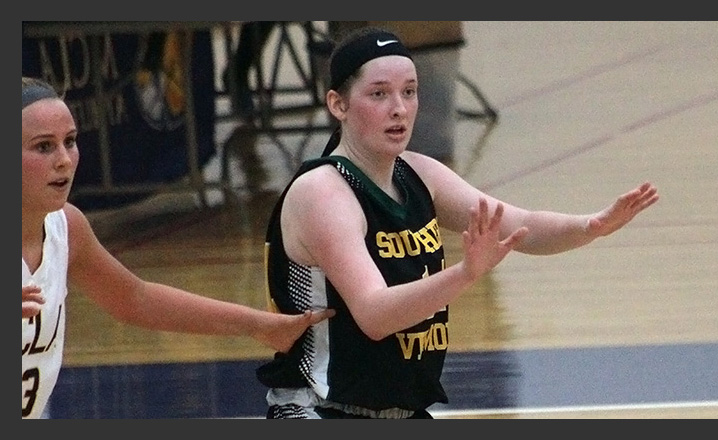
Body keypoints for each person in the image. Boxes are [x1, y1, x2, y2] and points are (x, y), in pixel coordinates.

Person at [255, 27, 659, 419]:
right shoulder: (323, 193)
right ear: (338, 105)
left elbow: (522, 227)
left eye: (409, 91)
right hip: (319, 410)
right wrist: (466, 273)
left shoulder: (419, 174)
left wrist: (591, 226)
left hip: (400, 412)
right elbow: (375, 315)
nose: (399, 108)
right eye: (379, 94)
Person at [21, 76, 334, 419]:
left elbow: (136, 298)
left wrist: (259, 326)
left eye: (70, 141)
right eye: (43, 147)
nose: (64, 160)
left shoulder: (67, 227)